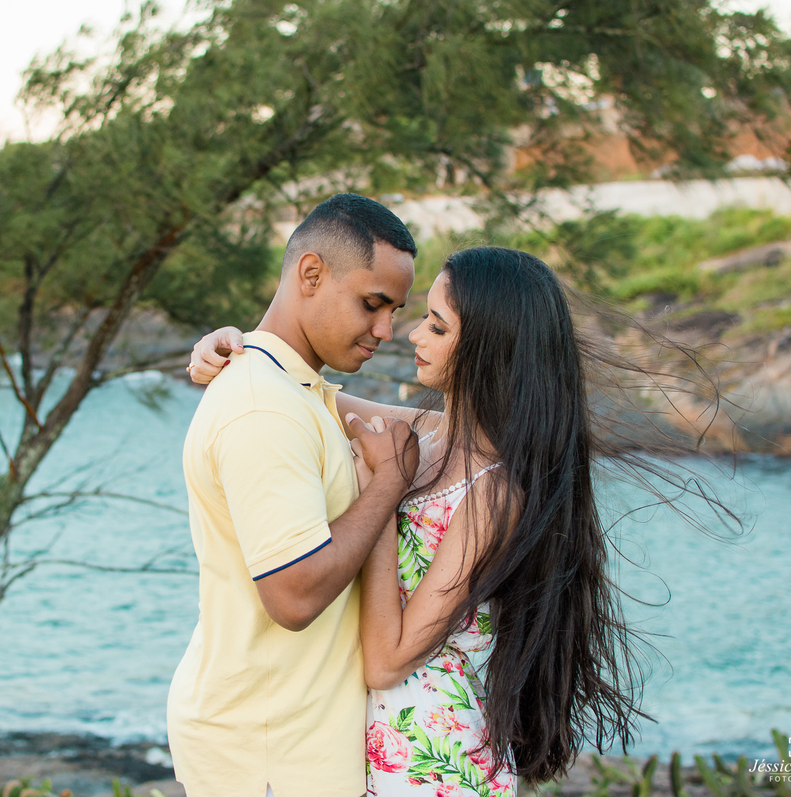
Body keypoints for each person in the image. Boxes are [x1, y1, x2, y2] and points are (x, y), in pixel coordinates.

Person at [189, 246, 654, 796]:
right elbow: (296, 394)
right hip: (376, 752)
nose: (410, 335)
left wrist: (382, 495)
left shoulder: (494, 491)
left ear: (488, 346)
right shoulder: (424, 436)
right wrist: (232, 349)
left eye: (436, 325)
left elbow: (386, 662)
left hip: (433, 762)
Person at [166, 193, 423, 797]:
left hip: (284, 744)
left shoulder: (298, 390)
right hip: (265, 751)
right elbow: (294, 593)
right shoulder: (265, 408)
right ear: (311, 273)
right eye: (372, 304)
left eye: (396, 311)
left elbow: (438, 435)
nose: (386, 330)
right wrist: (386, 484)